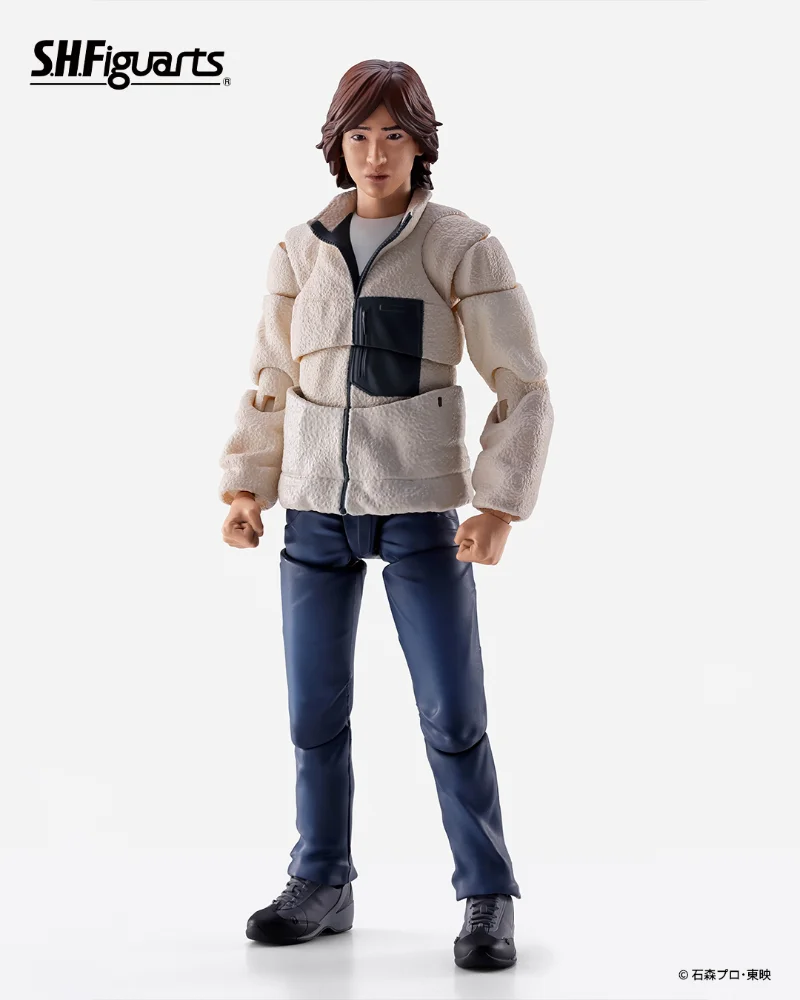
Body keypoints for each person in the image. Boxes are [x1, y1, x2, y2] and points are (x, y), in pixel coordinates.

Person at [219, 59, 554, 971]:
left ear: (421, 144)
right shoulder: (300, 248)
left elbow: (522, 382)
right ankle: (321, 878)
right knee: (313, 712)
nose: (375, 153)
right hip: (315, 511)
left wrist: (499, 503)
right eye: (360, 135)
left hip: (418, 509)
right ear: (336, 145)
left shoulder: (460, 244)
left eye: (394, 135)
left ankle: (486, 892)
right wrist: (247, 485)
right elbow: (270, 376)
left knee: (452, 711)